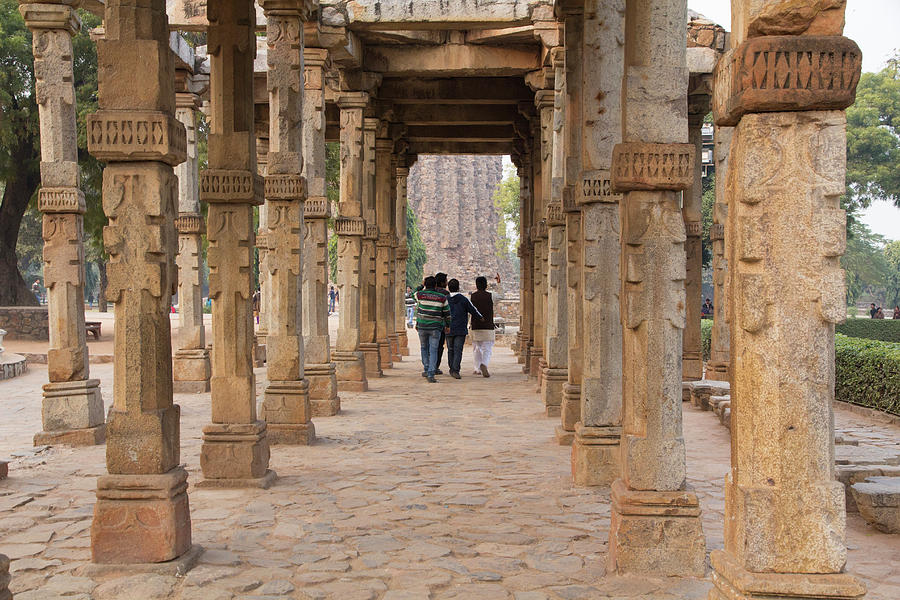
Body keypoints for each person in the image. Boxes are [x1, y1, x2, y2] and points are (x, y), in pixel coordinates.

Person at [414, 276, 450, 383]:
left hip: (422, 326)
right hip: (435, 327)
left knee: (424, 348)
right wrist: (448, 325)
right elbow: (447, 313)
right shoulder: (442, 297)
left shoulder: (420, 295)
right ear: (435, 285)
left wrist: (421, 285)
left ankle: (426, 368)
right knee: (433, 350)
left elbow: (413, 293)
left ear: (425, 284)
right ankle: (431, 373)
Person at [446, 278, 483, 379]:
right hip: (460, 328)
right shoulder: (463, 299)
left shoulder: (445, 299)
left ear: (448, 288)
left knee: (450, 349)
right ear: (458, 287)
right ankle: (455, 369)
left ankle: (452, 368)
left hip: (448, 328)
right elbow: (473, 310)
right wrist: (480, 317)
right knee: (458, 350)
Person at [470, 275, 495, 378]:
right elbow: (502, 295)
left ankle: (477, 368)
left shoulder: (472, 297)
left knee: (477, 347)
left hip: (476, 325)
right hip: (488, 326)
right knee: (487, 348)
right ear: (486, 285)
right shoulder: (491, 295)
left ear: (476, 285)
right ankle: (484, 364)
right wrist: (499, 284)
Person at [433, 272, 450, 375]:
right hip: (441, 324)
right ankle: (435, 366)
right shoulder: (445, 294)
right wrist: (448, 324)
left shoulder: (430, 292)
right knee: (439, 346)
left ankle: (430, 366)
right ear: (443, 282)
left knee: (430, 346)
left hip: (430, 322)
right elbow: (447, 311)